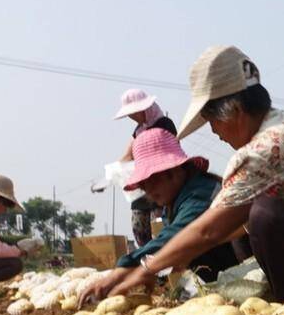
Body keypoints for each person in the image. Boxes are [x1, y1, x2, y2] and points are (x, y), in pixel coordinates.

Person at [108, 45, 284, 302]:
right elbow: (226, 227)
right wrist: (178, 256)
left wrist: (144, 269)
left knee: (265, 215)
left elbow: (207, 230)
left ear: (234, 111)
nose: (214, 132)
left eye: (211, 121)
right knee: (252, 217)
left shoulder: (266, 146)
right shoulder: (282, 123)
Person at [80, 130, 241, 303]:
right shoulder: (172, 205)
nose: (147, 188)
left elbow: (177, 235)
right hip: (219, 286)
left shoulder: (201, 193)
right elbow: (171, 247)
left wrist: (128, 267)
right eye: (143, 183)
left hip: (243, 282)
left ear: (175, 170)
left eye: (152, 178)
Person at [114, 88, 178, 248]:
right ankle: (147, 262)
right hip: (142, 188)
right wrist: (110, 177)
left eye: (135, 112)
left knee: (161, 230)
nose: (132, 116)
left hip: (161, 186)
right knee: (140, 230)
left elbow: (168, 155)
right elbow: (126, 156)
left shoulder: (164, 124)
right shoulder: (138, 131)